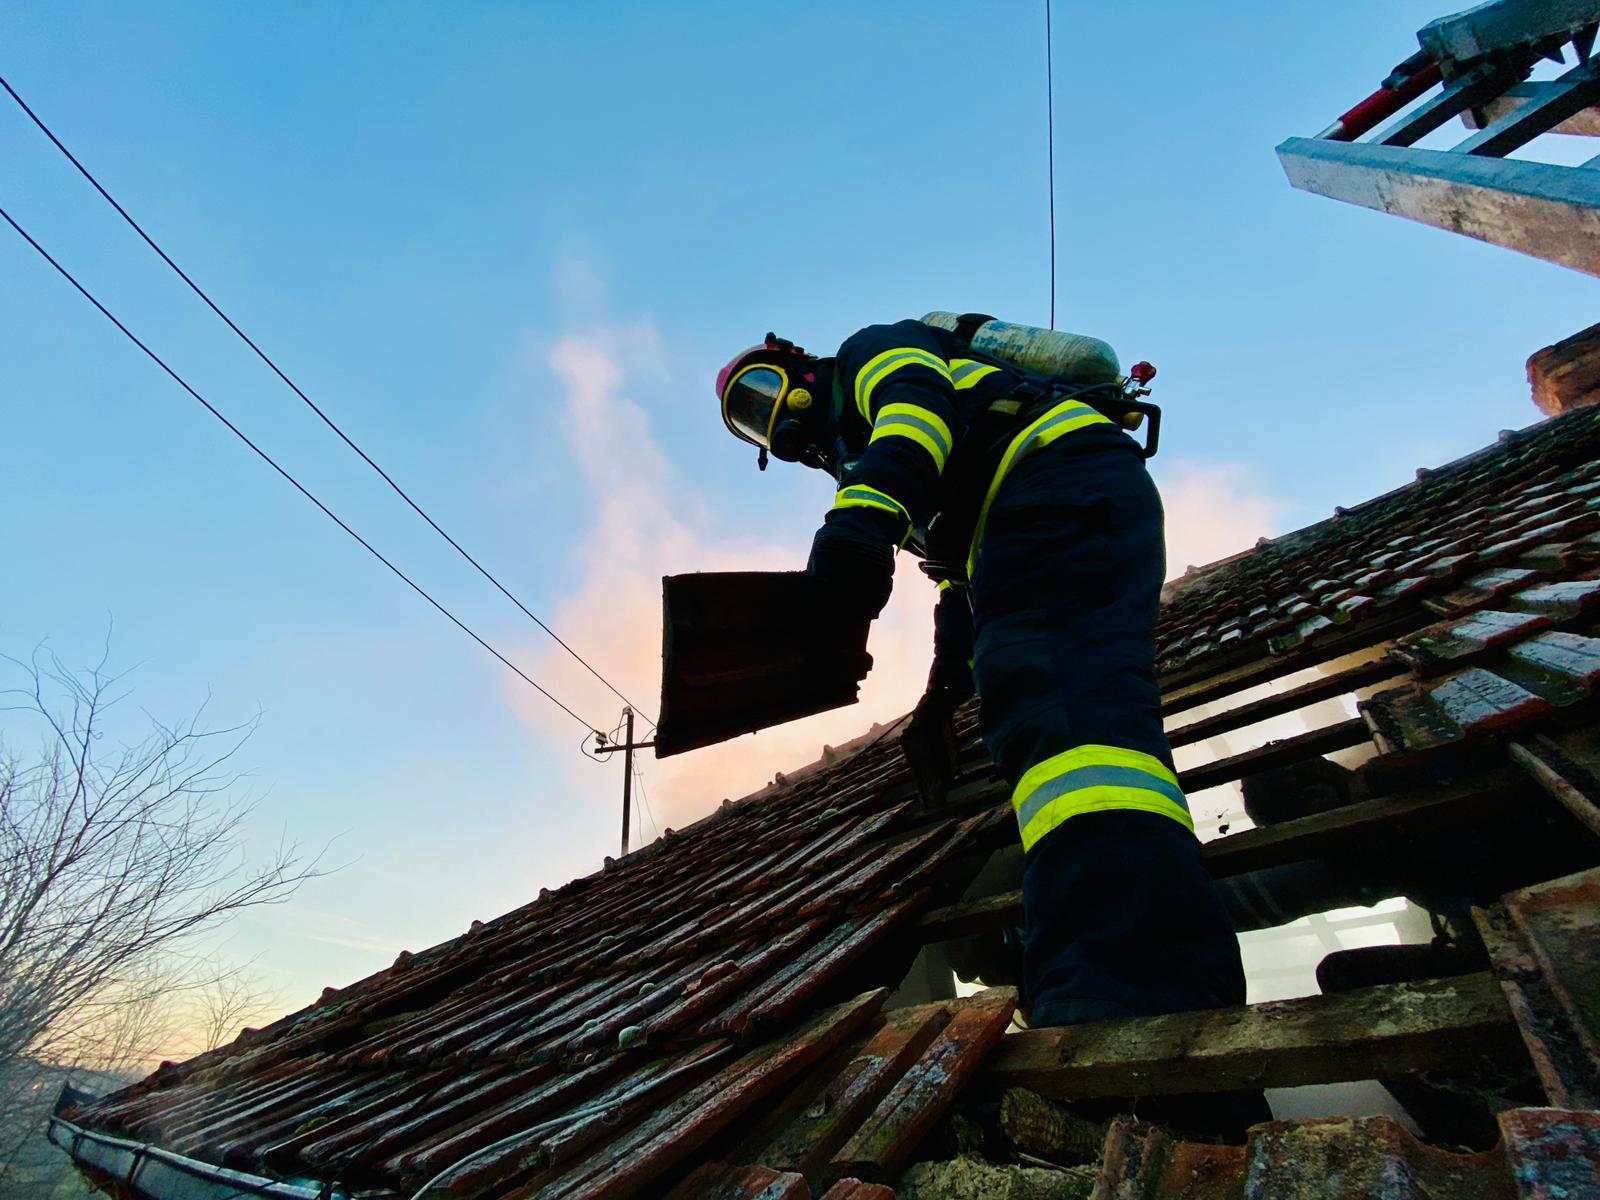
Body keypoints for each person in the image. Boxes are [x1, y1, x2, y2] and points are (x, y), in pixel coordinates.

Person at [716, 317, 1248, 1030]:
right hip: (1037, 510)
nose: (770, 419)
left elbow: (918, 408)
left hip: (1049, 477)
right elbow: (955, 572)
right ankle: (1119, 962)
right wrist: (943, 691)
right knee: (1045, 700)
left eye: (762, 391)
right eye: (749, 421)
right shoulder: (874, 461)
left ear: (799, 367)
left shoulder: (870, 355)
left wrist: (862, 520)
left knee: (1068, 719)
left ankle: (1133, 986)